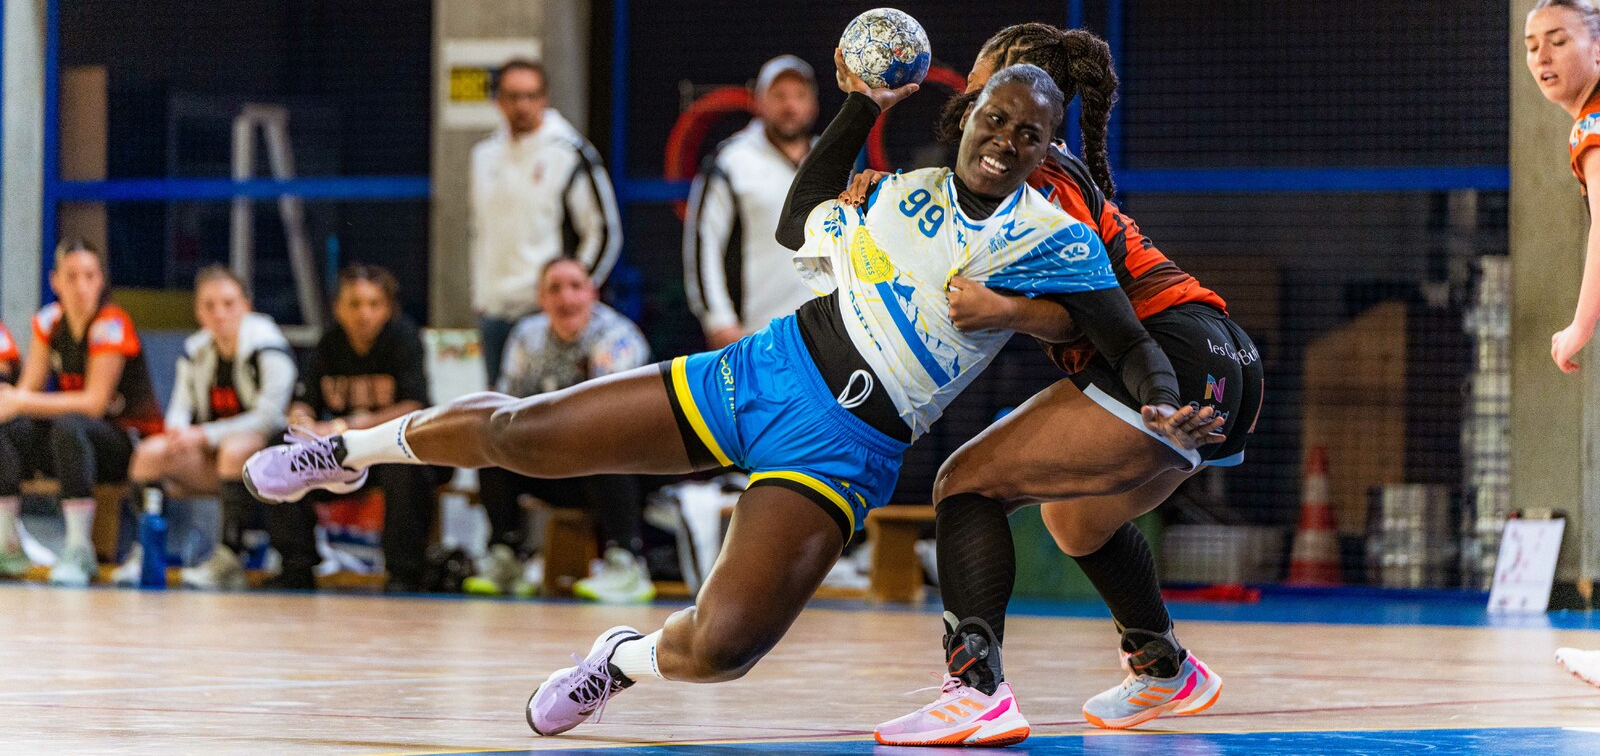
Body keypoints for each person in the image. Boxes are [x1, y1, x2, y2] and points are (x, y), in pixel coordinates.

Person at [246, 50, 1179, 743]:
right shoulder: (898, 192)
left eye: (1030, 134)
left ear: (1047, 150)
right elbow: (795, 218)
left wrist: (1164, 399)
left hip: (844, 449)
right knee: (526, 434)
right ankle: (346, 453)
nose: (1008, 141)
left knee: (725, 647)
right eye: (997, 119)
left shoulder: (1055, 239)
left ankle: (619, 659)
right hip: (761, 373)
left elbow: (1125, 340)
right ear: (967, 114)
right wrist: (860, 104)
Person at [871, 23, 1262, 744]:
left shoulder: (1034, 178)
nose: (971, 89)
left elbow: (1101, 309)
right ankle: (1163, 665)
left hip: (1170, 349)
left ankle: (976, 690)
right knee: (1075, 520)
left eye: (984, 76)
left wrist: (1005, 311)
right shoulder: (1042, 166)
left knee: (965, 483)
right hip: (1225, 366)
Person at [472, 58, 623, 575]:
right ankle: (509, 552)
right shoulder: (482, 155)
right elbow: (481, 235)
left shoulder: (569, 151)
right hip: (498, 317)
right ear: (499, 101)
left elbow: (604, 231)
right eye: (512, 96)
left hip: (555, 317)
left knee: (578, 429)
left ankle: (616, 552)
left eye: (531, 95)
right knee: (503, 433)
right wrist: (483, 295)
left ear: (545, 98)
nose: (522, 105)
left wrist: (572, 296)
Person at [469, 257, 655, 602]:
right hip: (551, 459)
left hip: (619, 468)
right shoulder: (526, 335)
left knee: (607, 444)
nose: (566, 298)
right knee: (492, 441)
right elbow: (506, 407)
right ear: (542, 299)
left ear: (592, 293)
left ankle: (627, 561)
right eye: (555, 289)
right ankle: (506, 555)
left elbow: (608, 412)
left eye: (575, 287)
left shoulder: (618, 336)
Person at [261, 264, 437, 592]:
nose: (364, 314)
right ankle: (296, 566)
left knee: (406, 467)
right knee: (279, 448)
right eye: (355, 304)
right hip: (345, 456)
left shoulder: (403, 338)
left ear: (388, 308)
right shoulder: (329, 342)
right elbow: (304, 401)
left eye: (374, 304)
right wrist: (302, 423)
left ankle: (404, 573)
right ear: (338, 308)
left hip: (391, 449)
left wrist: (345, 426)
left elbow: (414, 406)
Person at [120, 265, 294, 590]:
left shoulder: (269, 347)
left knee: (235, 449)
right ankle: (146, 551)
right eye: (209, 305)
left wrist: (204, 434)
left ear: (246, 306)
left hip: (269, 461)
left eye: (228, 304)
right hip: (215, 458)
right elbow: (180, 408)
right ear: (198, 311)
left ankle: (230, 558)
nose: (219, 313)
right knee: (150, 453)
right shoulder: (195, 350)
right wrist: (177, 432)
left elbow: (270, 417)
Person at [0, 240, 161, 585]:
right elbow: (26, 393)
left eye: (89, 276)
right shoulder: (49, 321)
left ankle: (79, 549)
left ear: (101, 280)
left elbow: (93, 404)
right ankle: (6, 542)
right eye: (71, 277)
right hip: (75, 444)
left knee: (69, 426)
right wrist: (11, 403)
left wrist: (18, 401)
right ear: (55, 281)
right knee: (8, 430)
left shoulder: (112, 323)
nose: (81, 286)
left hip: (127, 446)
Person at [1522, 0, 1600, 688]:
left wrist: (1579, 323)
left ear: (1597, 47)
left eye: (1559, 39)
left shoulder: (1593, 125)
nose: (1542, 56)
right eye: (1531, 44)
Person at [686, 55, 821, 348]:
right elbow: (703, 242)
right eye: (779, 96)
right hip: (754, 335)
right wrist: (718, 319)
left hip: (823, 334)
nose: (790, 106)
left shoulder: (830, 160)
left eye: (799, 95)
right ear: (759, 101)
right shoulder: (731, 160)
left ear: (814, 104)